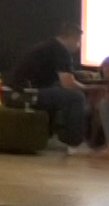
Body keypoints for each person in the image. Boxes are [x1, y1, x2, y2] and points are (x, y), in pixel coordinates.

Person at [8, 23, 90, 152]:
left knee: (58, 92)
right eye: (78, 42)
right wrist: (88, 89)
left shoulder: (49, 47)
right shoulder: (61, 52)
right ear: (72, 38)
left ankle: (51, 134)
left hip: (14, 92)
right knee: (76, 98)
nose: (78, 46)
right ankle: (74, 143)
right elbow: (68, 83)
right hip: (25, 95)